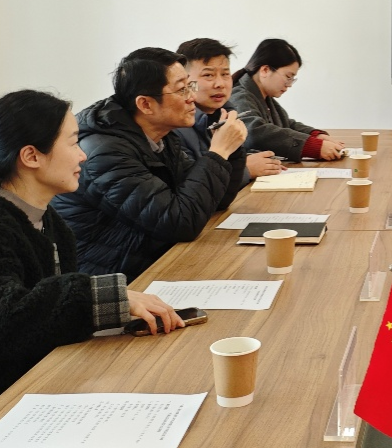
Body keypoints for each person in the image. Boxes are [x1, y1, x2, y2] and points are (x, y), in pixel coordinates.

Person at [0, 90, 184, 448]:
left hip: (24, 388)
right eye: (73, 143)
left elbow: (42, 311)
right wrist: (100, 297)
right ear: (31, 156)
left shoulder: (48, 223)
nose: (82, 155)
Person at [53, 47, 247, 280]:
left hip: (152, 260)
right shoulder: (105, 153)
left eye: (190, 86)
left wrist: (229, 151)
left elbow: (214, 201)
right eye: (182, 89)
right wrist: (218, 152)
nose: (192, 98)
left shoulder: (160, 136)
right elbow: (179, 223)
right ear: (145, 104)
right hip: (114, 280)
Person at [175, 38, 283, 183]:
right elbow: (193, 185)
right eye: (208, 75)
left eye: (225, 74)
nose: (220, 84)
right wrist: (245, 170)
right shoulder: (175, 127)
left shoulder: (227, 114)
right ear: (185, 82)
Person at [229, 38, 345, 162]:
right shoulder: (240, 96)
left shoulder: (264, 97)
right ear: (265, 70)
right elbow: (255, 133)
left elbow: (286, 124)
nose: (289, 84)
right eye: (288, 77)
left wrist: (316, 136)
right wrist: (313, 146)